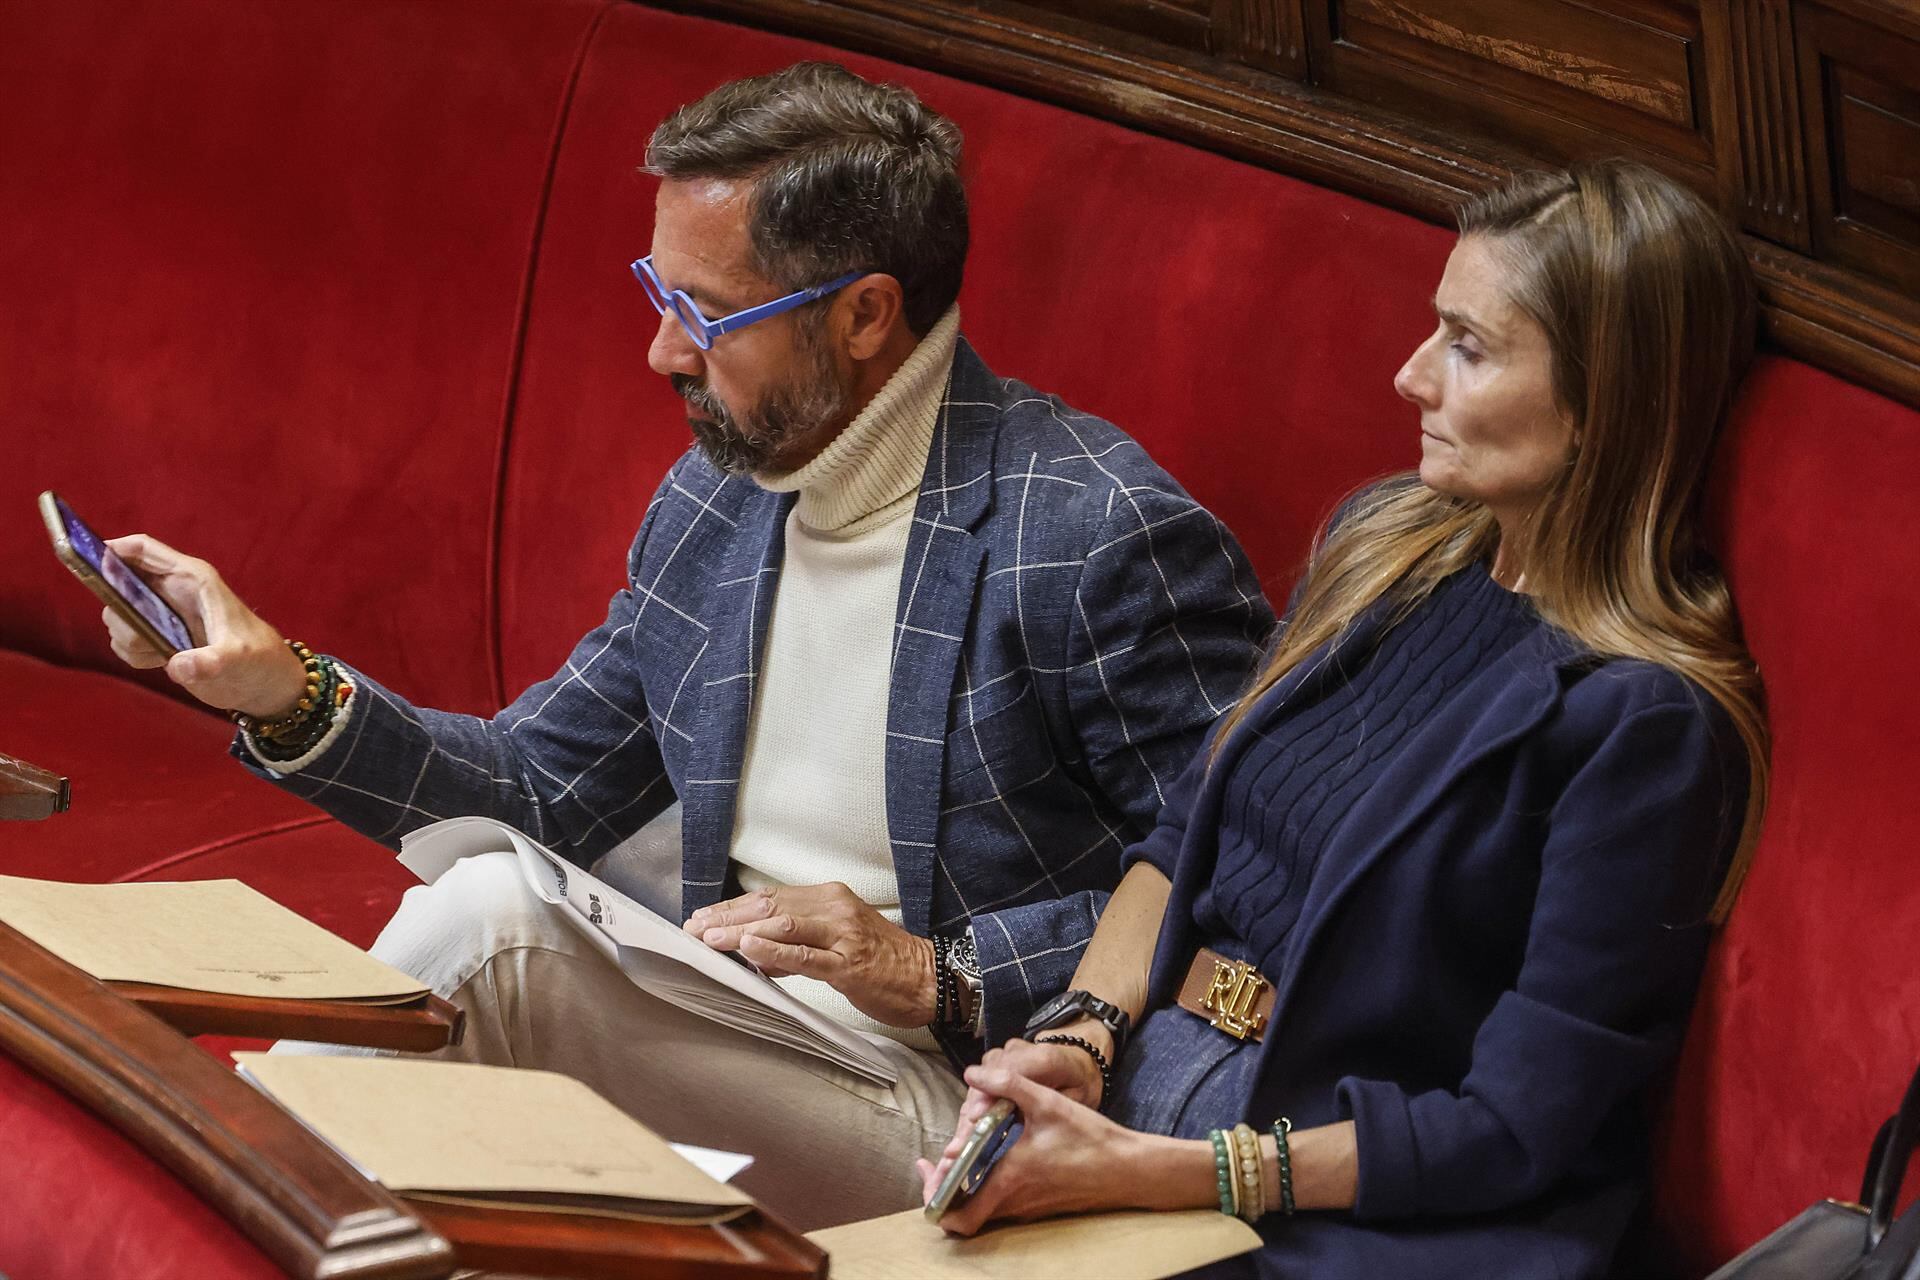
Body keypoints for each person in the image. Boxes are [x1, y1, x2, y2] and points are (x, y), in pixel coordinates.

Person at [98, 62, 1272, 1227]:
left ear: (865, 313)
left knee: (495, 929)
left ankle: (189, 1214)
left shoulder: (1096, 534)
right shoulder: (721, 500)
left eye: (705, 312)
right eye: (659, 295)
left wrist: (933, 969)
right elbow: (539, 789)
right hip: (736, 1033)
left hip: (963, 1113)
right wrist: (282, 689)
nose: (664, 350)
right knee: (489, 900)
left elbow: (1252, 893)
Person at [919, 160, 1770, 1279]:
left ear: (1607, 402)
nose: (1410, 374)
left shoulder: (1645, 725)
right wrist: (1079, 1034)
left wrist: (1151, 1170)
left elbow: (1515, 1127)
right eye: (1435, 329)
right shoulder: (1385, 549)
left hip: (1343, 1210)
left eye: (1468, 347)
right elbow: (1179, 845)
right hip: (1151, 1090)